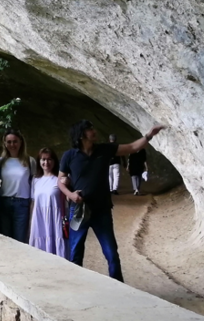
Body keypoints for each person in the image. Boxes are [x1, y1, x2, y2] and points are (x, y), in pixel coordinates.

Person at [58, 120, 166, 282]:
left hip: (102, 210)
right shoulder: (69, 156)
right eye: (90, 129)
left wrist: (149, 135)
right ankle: (76, 286)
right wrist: (71, 194)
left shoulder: (104, 149)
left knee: (111, 253)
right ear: (81, 135)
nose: (94, 130)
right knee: (75, 252)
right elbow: (60, 179)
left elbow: (132, 147)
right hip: (79, 209)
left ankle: (118, 287)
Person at [0, 128, 38, 242]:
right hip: (4, 202)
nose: (12, 145)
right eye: (9, 142)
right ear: (5, 143)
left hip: (22, 204)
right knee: (5, 239)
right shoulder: (1, 161)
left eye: (15, 141)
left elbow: (35, 183)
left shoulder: (29, 161)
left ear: (21, 142)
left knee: (21, 239)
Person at [27, 147, 66, 258]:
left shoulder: (59, 180)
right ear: (39, 161)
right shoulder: (35, 180)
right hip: (39, 219)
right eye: (43, 159)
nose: (46, 162)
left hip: (54, 218)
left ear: (54, 161)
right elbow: (33, 203)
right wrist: (31, 222)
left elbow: (66, 200)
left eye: (49, 159)